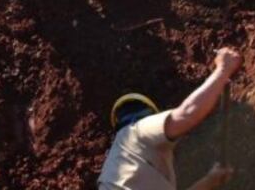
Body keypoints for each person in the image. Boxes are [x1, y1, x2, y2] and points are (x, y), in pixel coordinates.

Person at [97, 47, 242, 190]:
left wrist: (209, 181)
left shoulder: (115, 170)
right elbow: (186, 114)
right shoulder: (136, 132)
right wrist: (223, 69)